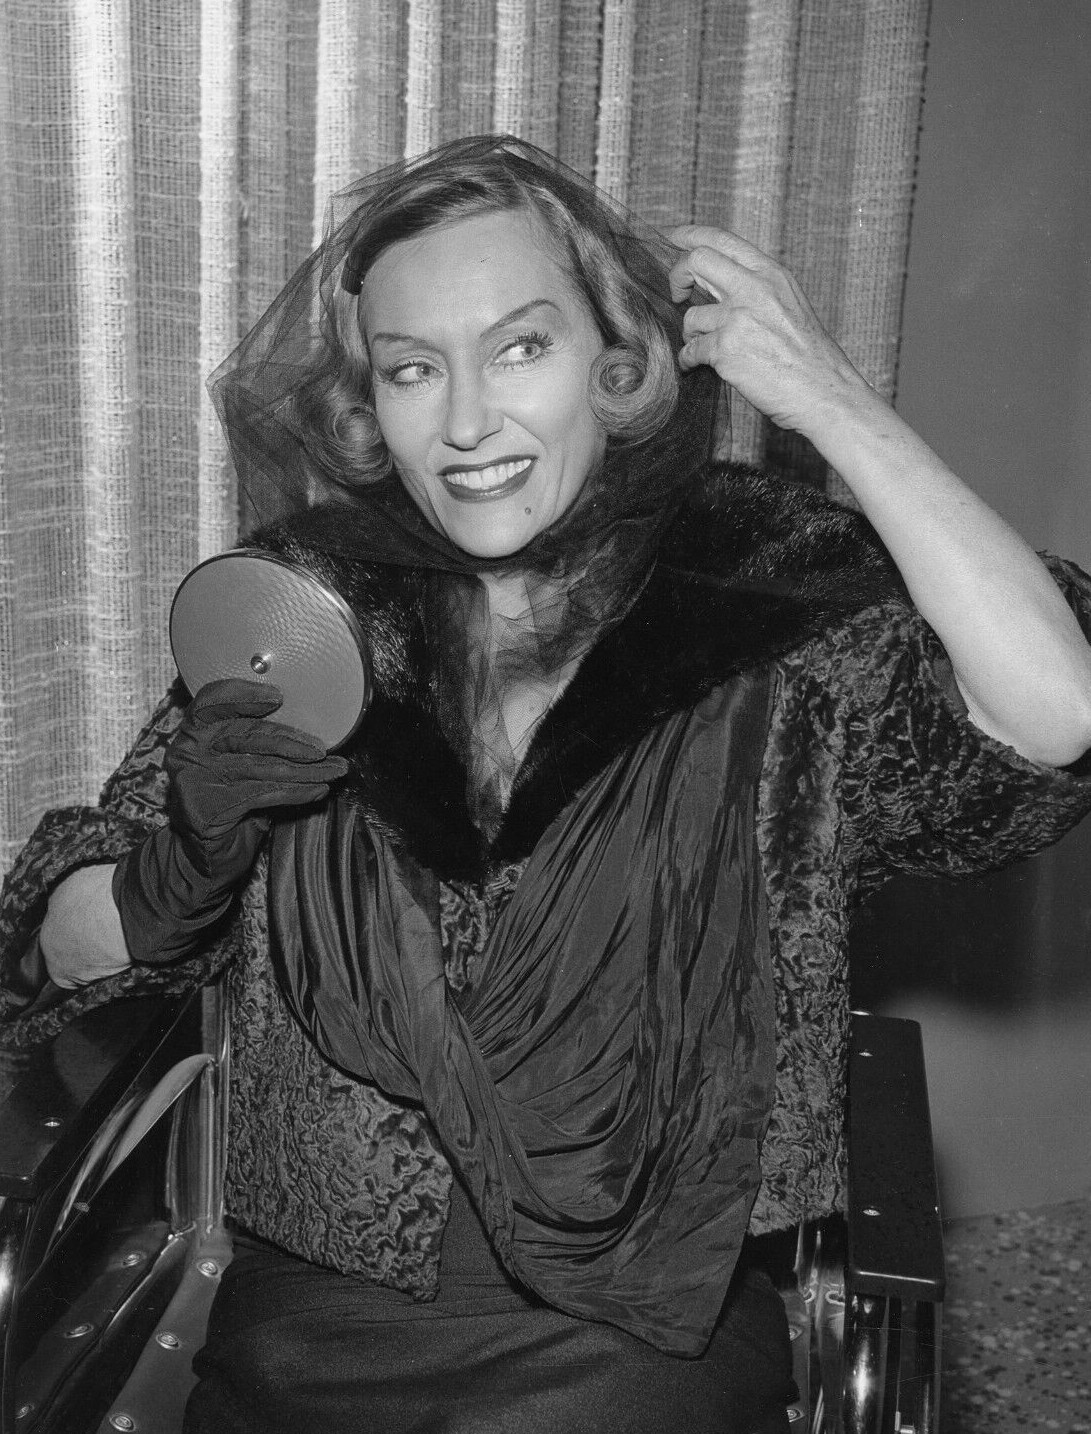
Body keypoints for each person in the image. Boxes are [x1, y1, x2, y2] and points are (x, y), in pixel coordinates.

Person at [3, 134, 1091, 1433]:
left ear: (617, 366)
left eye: (520, 347)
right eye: (414, 368)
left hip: (637, 1339)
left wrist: (832, 398)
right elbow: (62, 950)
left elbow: (1056, 705)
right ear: (370, 404)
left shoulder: (769, 606)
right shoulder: (301, 618)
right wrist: (176, 865)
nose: (466, 421)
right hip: (308, 1338)